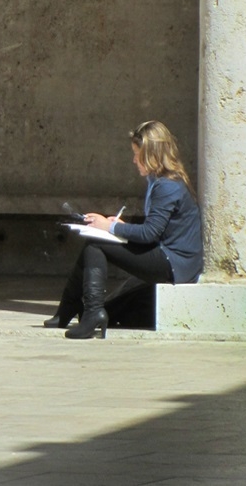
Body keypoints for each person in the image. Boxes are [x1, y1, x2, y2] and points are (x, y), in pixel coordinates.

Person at [44, 120, 203, 339]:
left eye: (137, 154)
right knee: (96, 243)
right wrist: (119, 227)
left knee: (96, 245)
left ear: (152, 154)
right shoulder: (161, 180)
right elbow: (156, 230)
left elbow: (150, 234)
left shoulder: (166, 186)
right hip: (171, 257)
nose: (134, 160)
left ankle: (89, 312)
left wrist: (111, 226)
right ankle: (69, 311)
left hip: (175, 263)